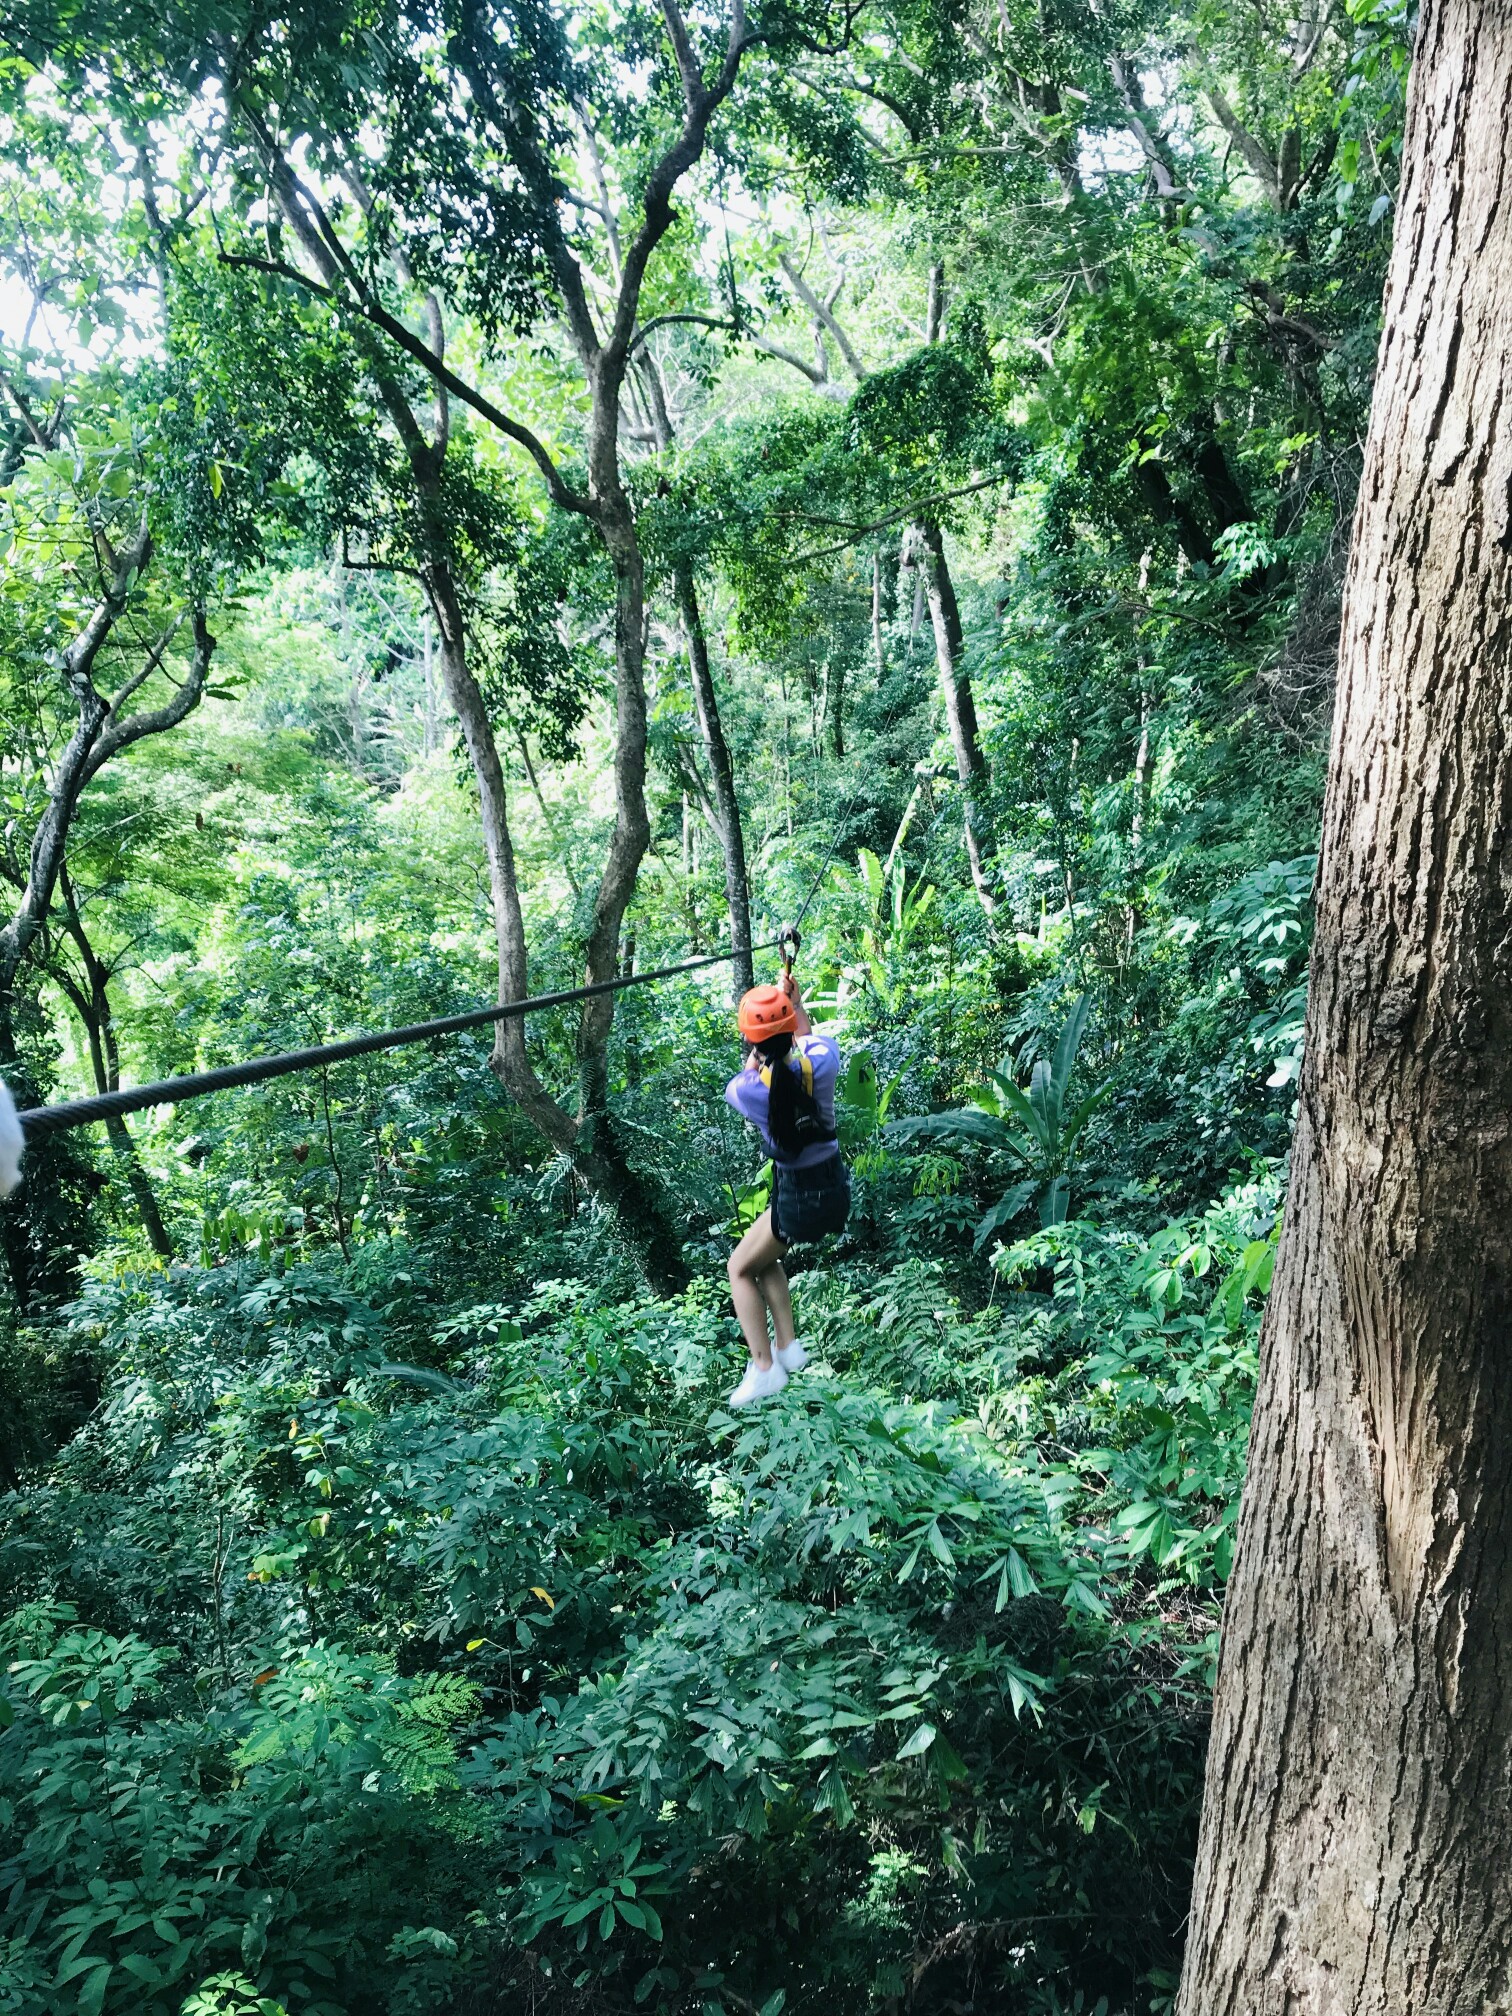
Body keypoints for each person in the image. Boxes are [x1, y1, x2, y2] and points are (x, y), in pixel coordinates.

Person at [723, 968, 850, 1407]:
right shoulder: (825, 1059)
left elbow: (751, 1073)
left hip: (796, 1199)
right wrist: (792, 1004)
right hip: (833, 1192)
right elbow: (808, 1038)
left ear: (752, 1043)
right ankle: (787, 1348)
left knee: (737, 1269)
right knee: (760, 1258)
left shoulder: (747, 1092)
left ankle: (763, 1369)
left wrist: (771, 1031)